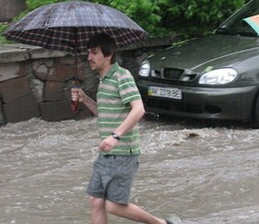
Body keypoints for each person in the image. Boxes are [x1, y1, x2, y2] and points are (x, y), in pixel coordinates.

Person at [72, 33, 181, 224]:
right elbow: (105, 113)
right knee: (96, 200)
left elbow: (139, 109)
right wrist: (85, 100)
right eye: (88, 52)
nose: (89, 57)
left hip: (123, 152)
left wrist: (115, 135)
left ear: (108, 55)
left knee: (113, 205)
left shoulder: (122, 76)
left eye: (94, 52)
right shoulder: (104, 80)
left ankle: (162, 223)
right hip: (107, 152)